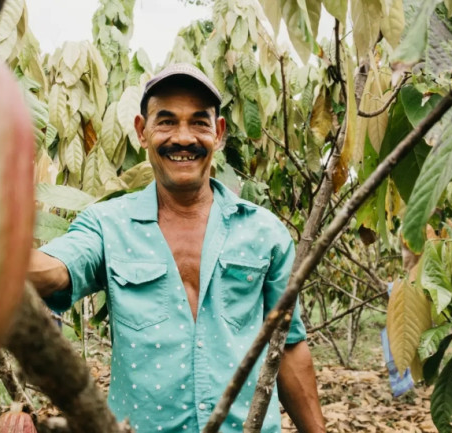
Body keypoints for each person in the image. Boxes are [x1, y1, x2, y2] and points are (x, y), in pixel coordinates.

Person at [28, 63, 326, 432]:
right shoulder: (107, 225)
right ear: (142, 131)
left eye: (198, 122)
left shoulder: (266, 232)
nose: (183, 138)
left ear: (218, 134)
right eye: (166, 121)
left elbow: (289, 345)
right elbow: (58, 268)